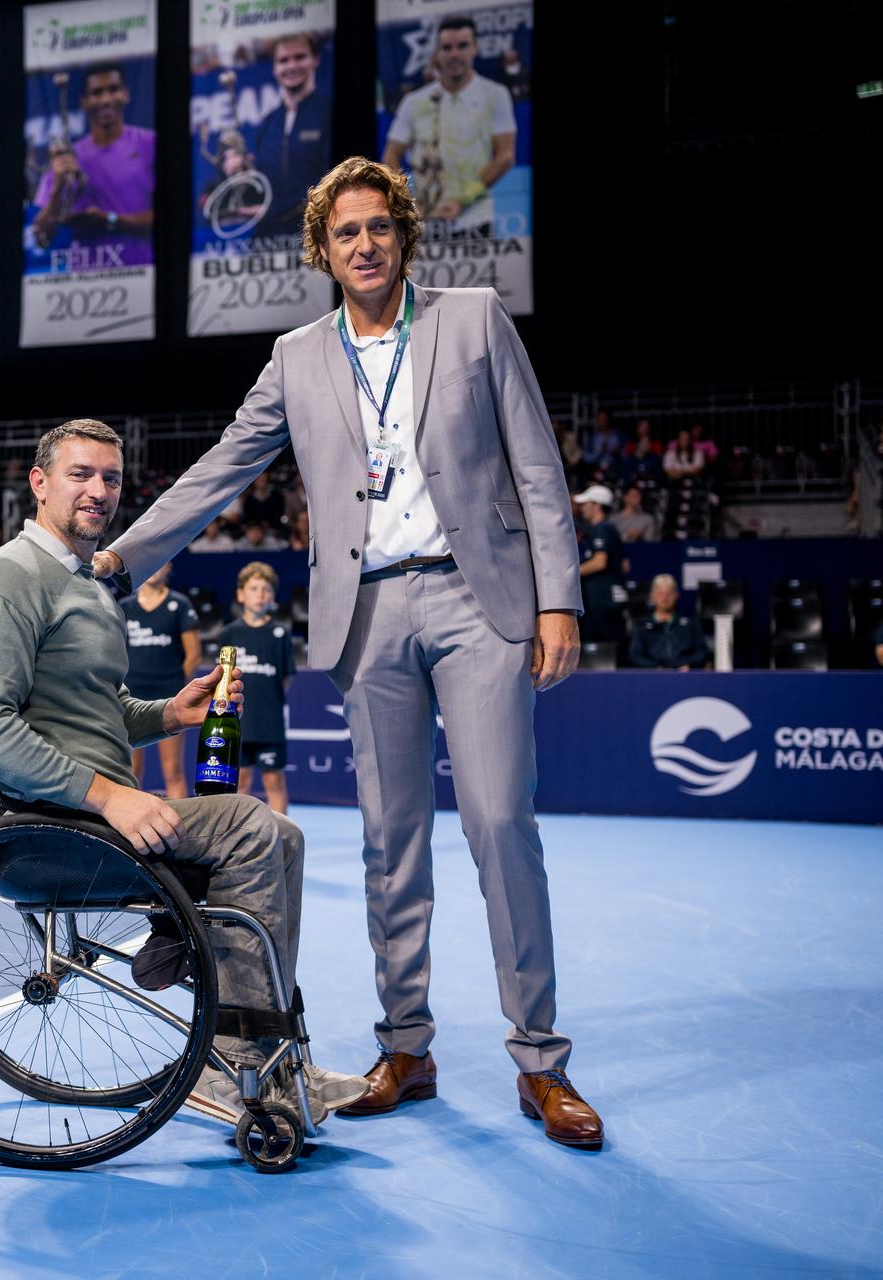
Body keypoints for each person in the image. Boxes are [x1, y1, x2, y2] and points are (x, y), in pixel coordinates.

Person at [92, 157, 603, 1147]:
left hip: (475, 596)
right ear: (322, 251)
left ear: (403, 234)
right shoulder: (296, 356)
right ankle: (405, 1045)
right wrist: (119, 554)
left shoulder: (473, 318)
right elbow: (222, 467)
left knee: (501, 823)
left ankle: (541, 1059)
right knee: (389, 842)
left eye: (378, 227)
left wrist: (560, 599)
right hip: (365, 613)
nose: (363, 245)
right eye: (344, 233)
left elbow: (539, 466)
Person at [0, 419, 365, 1127]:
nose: (99, 490)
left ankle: (267, 1057)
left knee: (282, 835)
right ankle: (228, 1060)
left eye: (110, 478)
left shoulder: (82, 584)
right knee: (243, 821)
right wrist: (112, 797)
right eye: (80, 474)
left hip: (80, 819)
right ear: (39, 484)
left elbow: (95, 711)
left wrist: (172, 712)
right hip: (29, 833)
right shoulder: (2, 580)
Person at [381, 15, 516, 229]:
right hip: (425, 223)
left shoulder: (496, 95)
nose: (454, 54)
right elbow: (391, 154)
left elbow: (505, 156)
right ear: (437, 53)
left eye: (462, 46)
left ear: (475, 48)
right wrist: (409, 202)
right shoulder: (413, 102)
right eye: (447, 47)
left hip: (476, 219)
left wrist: (463, 201)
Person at [31, 62, 155, 266]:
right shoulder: (67, 157)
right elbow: (41, 238)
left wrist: (112, 220)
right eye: (97, 93)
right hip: (85, 283)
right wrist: (57, 189)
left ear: (126, 94)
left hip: (143, 274)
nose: (106, 99)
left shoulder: (150, 144)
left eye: (113, 90)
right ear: (84, 102)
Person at [218, 563, 298, 814]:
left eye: (266, 589)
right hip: (238, 722)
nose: (260, 594)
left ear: (273, 596)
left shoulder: (280, 633)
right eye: (253, 588)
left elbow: (286, 677)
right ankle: (242, 837)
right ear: (241, 594)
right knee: (240, 782)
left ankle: (283, 840)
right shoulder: (229, 633)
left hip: (270, 723)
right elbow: (222, 678)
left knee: (274, 781)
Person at [120, 561, 200, 798]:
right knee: (130, 771)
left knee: (173, 770)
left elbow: (194, 655)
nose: (154, 568)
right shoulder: (124, 607)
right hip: (130, 699)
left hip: (170, 697)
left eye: (160, 563)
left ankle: (185, 832)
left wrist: (175, 684)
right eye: (150, 563)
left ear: (169, 568)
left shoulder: (180, 605)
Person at [250, 32, 331, 243]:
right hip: (268, 239)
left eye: (299, 57)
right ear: (275, 69)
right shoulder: (267, 124)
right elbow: (259, 184)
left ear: (315, 60)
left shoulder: (330, 112)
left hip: (319, 235)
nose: (291, 66)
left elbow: (332, 182)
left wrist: (273, 210)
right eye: (283, 60)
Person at [573, 484, 627, 646]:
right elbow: (625, 565)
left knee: (608, 645)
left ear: (597, 505)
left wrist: (571, 573)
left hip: (604, 601)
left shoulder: (604, 528)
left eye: (585, 504)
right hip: (600, 599)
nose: (582, 508)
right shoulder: (601, 529)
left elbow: (599, 562)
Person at [629, 575, 710, 671]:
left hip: (685, 676)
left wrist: (689, 664)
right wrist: (654, 668)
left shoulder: (691, 624)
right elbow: (635, 656)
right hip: (653, 678)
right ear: (652, 596)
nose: (665, 597)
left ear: (676, 595)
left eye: (669, 593)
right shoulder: (641, 626)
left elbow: (702, 651)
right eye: (660, 593)